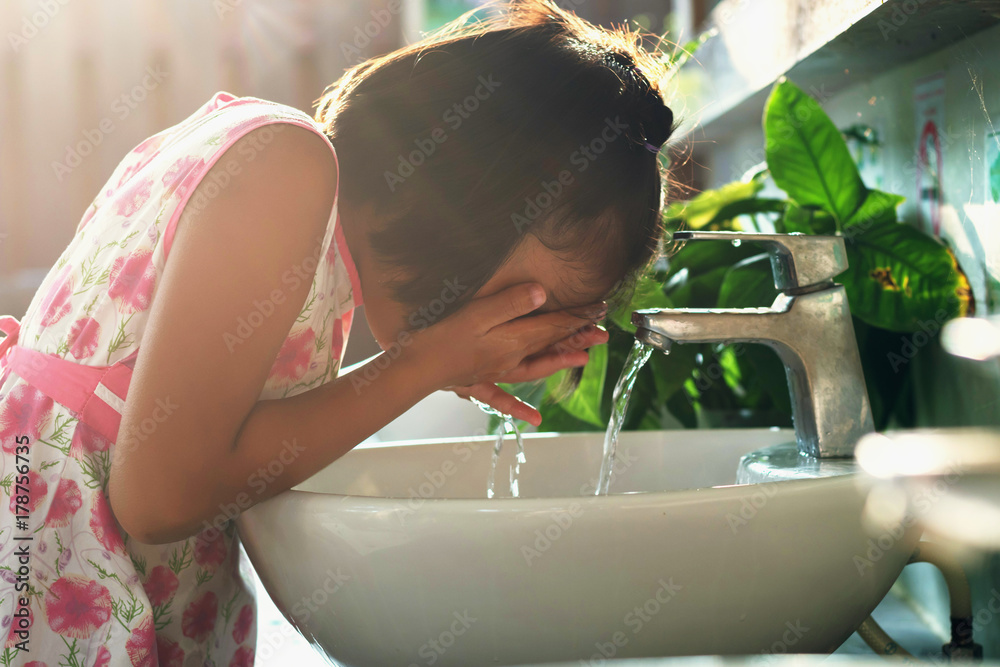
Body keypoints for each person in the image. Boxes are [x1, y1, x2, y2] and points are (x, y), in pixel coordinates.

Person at [0, 0, 674, 663]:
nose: (522, 336)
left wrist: (430, 360)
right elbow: (160, 495)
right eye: (533, 303)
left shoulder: (305, 214)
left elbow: (212, 442)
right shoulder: (284, 166)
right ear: (467, 205)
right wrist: (421, 363)